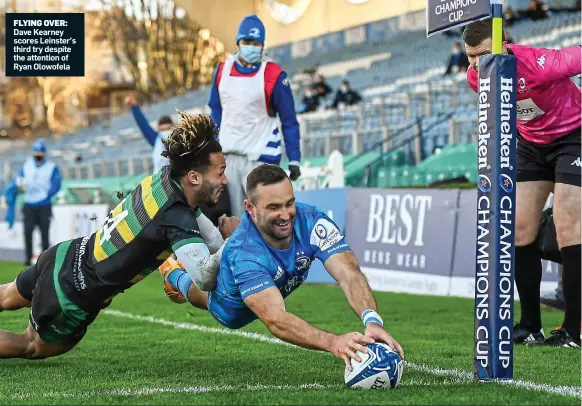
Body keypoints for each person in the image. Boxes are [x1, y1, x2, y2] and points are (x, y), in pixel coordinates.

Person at [0, 112, 239, 359]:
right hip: (74, 291)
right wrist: (233, 240)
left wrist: (227, 242)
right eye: (220, 172)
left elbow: (211, 239)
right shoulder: (177, 216)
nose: (225, 180)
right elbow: (204, 278)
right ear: (194, 177)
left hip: (64, 254)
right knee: (32, 344)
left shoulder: (166, 178)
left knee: (7, 294)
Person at [160, 164, 404, 369]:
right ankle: (173, 273)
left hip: (267, 274)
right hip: (230, 307)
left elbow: (349, 274)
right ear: (250, 209)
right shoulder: (243, 252)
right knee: (201, 295)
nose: (286, 215)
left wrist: (372, 320)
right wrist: (333, 342)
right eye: (274, 207)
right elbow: (276, 319)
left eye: (289, 203)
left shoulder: (312, 220)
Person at [463, 19, 581, 347]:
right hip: (531, 145)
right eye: (470, 56)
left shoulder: (540, 63)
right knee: (518, 229)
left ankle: (574, 329)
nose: (475, 64)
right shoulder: (476, 76)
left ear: (505, 45)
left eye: (483, 54)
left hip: (574, 137)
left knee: (568, 225)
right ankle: (530, 325)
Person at [208, 14, 302, 218]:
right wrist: (211, 148)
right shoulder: (222, 70)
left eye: (256, 43)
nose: (252, 46)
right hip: (229, 157)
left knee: (264, 218)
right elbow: (215, 111)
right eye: (247, 42)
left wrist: (294, 158)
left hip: (261, 156)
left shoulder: (275, 75)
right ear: (238, 43)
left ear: (262, 44)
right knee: (233, 220)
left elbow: (289, 120)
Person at [125, 93, 231, 225]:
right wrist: (134, 107)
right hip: (162, 188)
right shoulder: (156, 141)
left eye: (167, 129)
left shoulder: (184, 144)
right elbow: (143, 126)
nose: (165, 133)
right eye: (161, 130)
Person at [4, 139, 62, 266]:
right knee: (28, 231)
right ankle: (28, 258)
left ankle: (45, 260)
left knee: (44, 233)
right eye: (36, 151)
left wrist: (47, 194)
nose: (38, 154)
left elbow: (57, 184)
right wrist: (15, 188)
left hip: (44, 205)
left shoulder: (51, 167)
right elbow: (18, 180)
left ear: (44, 153)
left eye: (40, 152)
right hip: (29, 204)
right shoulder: (26, 166)